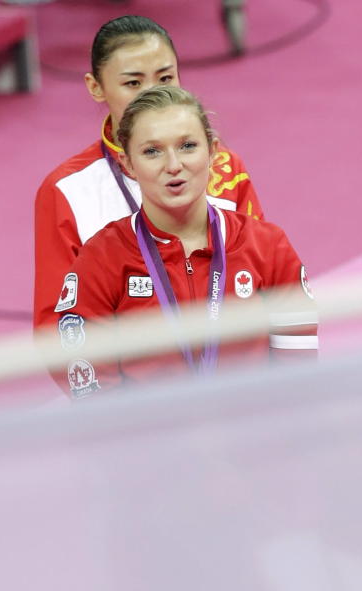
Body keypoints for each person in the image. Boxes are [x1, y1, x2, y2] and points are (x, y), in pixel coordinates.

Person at [60, 86, 316, 398]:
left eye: (188, 146)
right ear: (127, 164)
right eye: (152, 151)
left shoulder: (268, 247)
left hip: (255, 436)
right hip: (151, 442)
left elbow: (299, 377)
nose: (173, 165)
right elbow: (93, 393)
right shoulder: (99, 261)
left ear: (213, 153)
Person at [33, 14, 262, 336]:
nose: (152, 96)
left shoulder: (223, 166)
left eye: (165, 79)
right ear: (96, 87)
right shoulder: (67, 190)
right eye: (133, 83)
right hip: (134, 380)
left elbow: (264, 275)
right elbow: (58, 327)